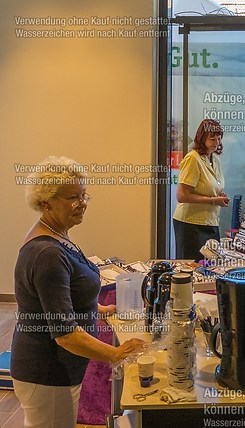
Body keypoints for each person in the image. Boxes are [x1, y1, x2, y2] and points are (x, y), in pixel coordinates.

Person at [12, 156, 145, 428]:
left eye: (84, 195)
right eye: (72, 197)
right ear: (46, 202)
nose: (82, 203)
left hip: (59, 369)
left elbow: (64, 296)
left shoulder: (59, 235)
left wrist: (102, 309)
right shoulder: (47, 253)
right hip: (46, 371)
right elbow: (65, 334)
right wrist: (115, 354)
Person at [173, 119, 230, 261]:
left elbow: (210, 188)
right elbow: (182, 195)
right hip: (191, 224)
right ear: (202, 138)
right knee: (193, 267)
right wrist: (212, 200)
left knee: (212, 266)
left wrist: (218, 196)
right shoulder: (193, 158)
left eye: (219, 138)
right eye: (212, 139)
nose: (216, 142)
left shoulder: (215, 160)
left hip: (210, 221)